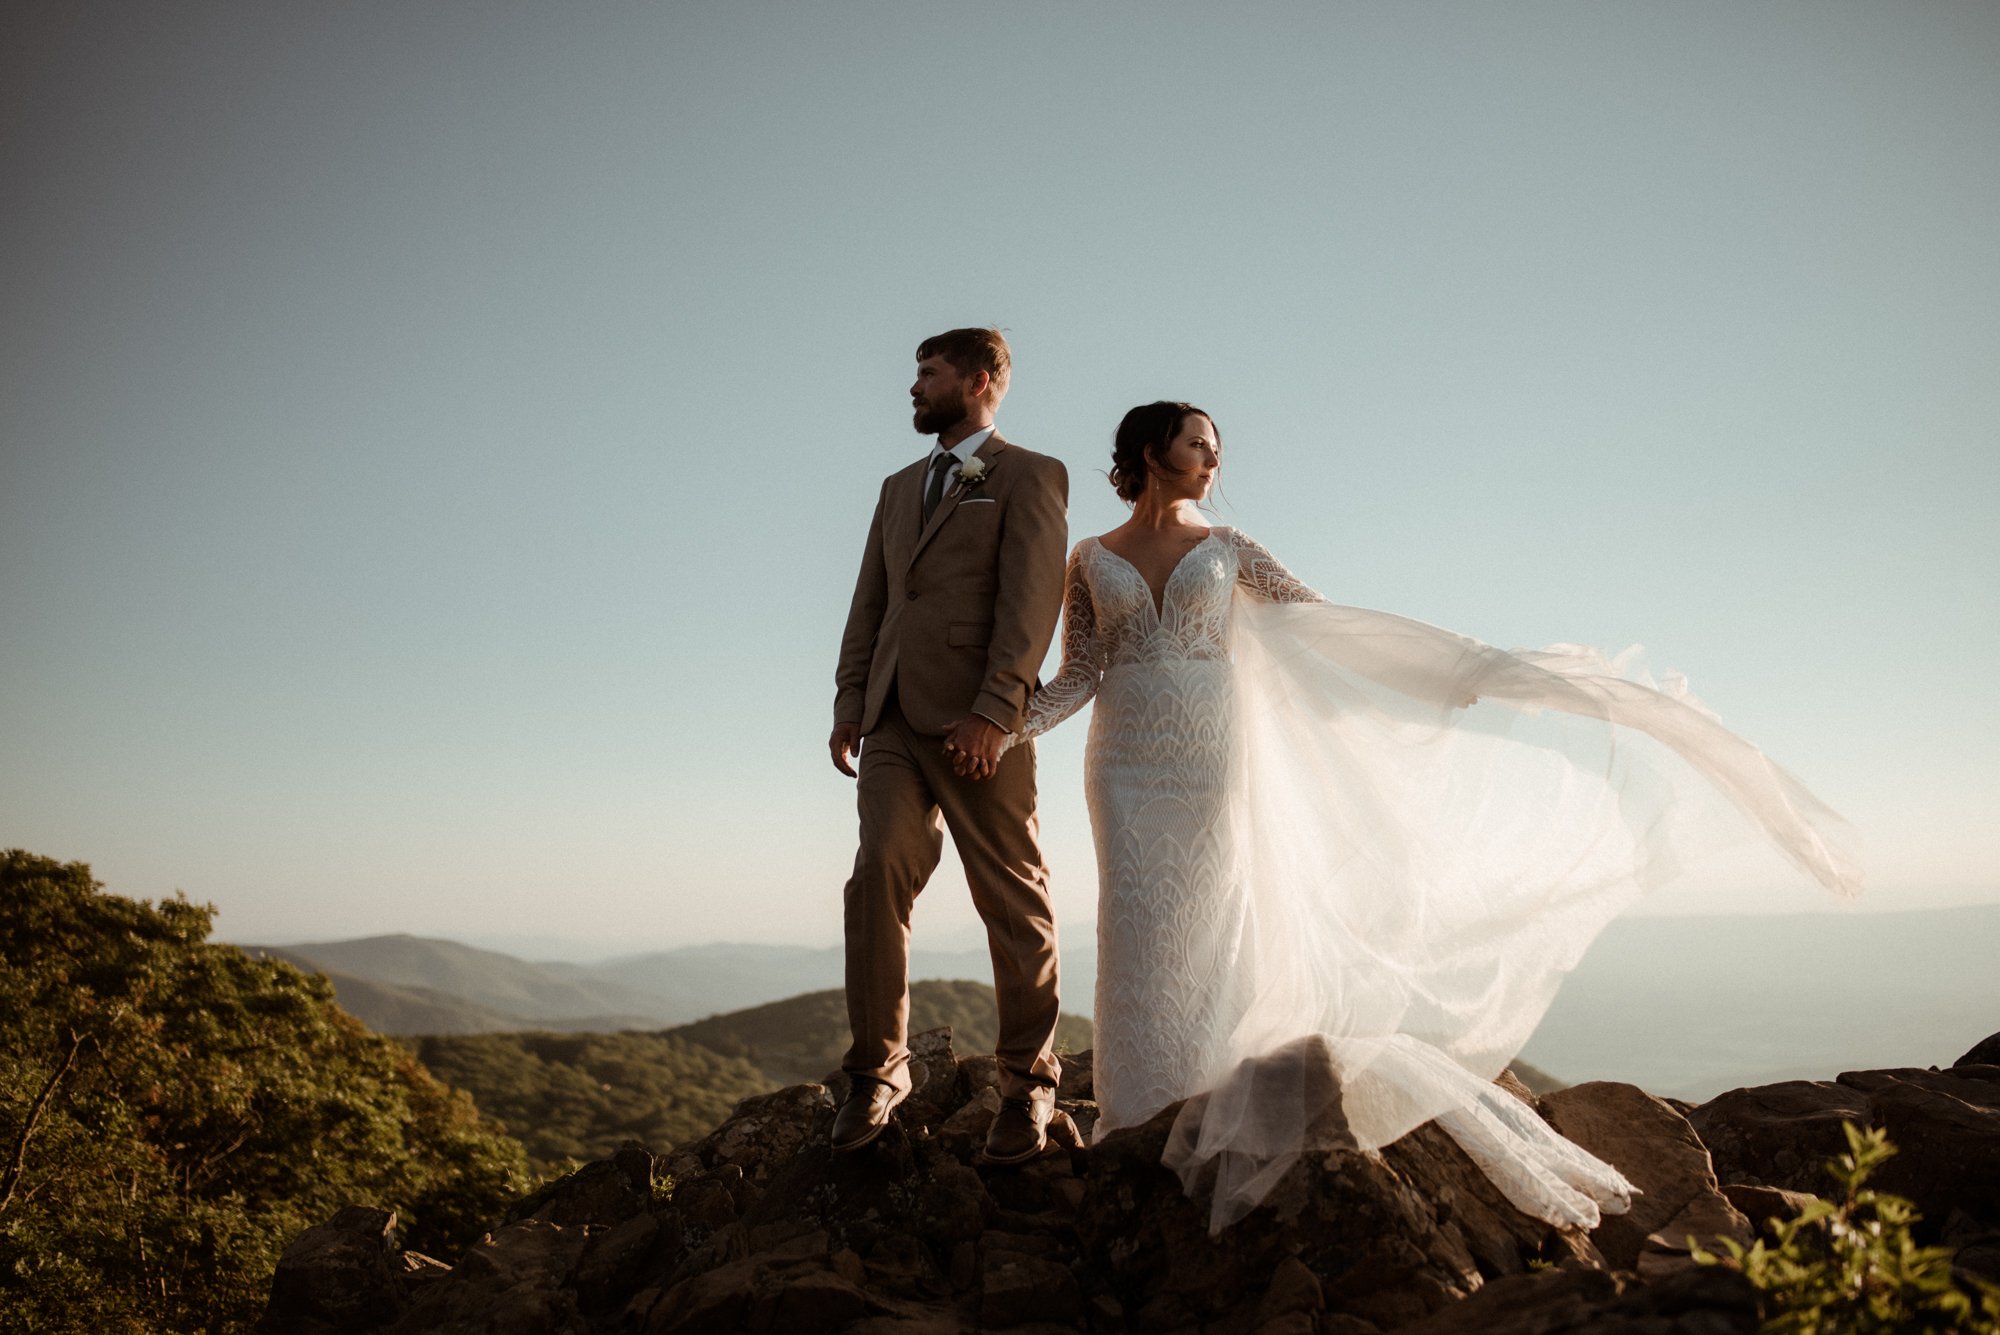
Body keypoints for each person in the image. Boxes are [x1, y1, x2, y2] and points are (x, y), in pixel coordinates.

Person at [1013, 401, 1861, 1232]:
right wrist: (1011, 722)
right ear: (1155, 451)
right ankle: (1135, 1119)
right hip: (1123, 764)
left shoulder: (1229, 549)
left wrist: (1448, 670)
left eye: (1215, 445)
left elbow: (1323, 624)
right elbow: (1082, 667)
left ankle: (1203, 1105)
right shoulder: (1091, 555)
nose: (1214, 458)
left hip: (1212, 758)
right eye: (1199, 443)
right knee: (1137, 923)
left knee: (1211, 926)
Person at [827, 327, 1070, 1163]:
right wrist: (850, 699)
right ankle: (877, 1071)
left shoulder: (1031, 475)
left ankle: (1029, 1082)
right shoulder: (897, 488)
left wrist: (997, 708)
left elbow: (1032, 601)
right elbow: (871, 600)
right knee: (876, 877)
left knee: (1012, 897)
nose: (912, 388)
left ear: (978, 381)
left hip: (979, 724)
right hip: (891, 717)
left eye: (925, 374)